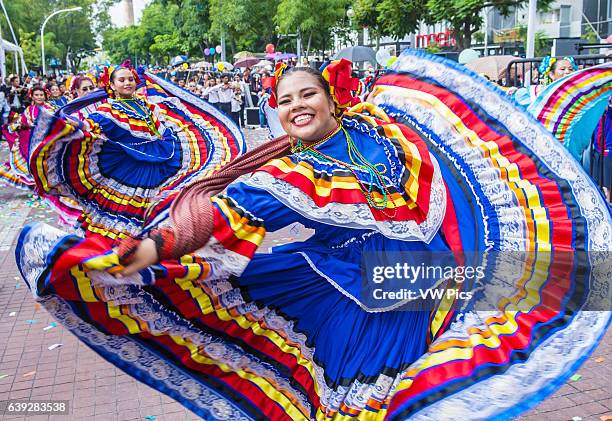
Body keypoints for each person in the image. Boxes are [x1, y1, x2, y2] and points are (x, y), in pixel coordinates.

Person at [15, 55, 610, 420]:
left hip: (434, 278)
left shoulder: (389, 126)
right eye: (283, 101)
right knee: (394, 403)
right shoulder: (288, 174)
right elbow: (213, 220)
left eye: (307, 95)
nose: (296, 106)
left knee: (550, 281)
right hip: (361, 293)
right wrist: (142, 252)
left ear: (333, 99)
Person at [24, 60, 244, 240]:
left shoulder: (146, 103)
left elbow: (161, 122)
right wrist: (70, 126)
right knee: (137, 214)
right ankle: (141, 247)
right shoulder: (107, 109)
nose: (128, 82)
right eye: (122, 80)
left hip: (163, 158)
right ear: (111, 85)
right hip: (132, 165)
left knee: (167, 203)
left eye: (130, 79)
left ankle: (165, 241)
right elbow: (92, 126)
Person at [0, 85, 54, 189]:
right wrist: (18, 126)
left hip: (47, 142)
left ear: (45, 96)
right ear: (32, 97)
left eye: (41, 95)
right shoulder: (29, 110)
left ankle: (46, 187)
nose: (39, 97)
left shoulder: (50, 109)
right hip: (30, 142)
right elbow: (22, 122)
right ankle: (38, 187)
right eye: (36, 95)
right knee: (33, 166)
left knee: (46, 165)